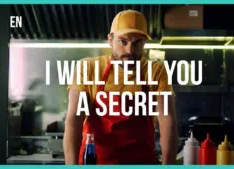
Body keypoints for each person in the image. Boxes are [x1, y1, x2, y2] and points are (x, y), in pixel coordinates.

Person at [63, 9, 179, 165]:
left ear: (144, 42)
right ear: (110, 40)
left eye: (137, 43)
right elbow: (73, 122)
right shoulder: (88, 68)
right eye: (123, 41)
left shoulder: (156, 71)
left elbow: (168, 122)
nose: (129, 50)